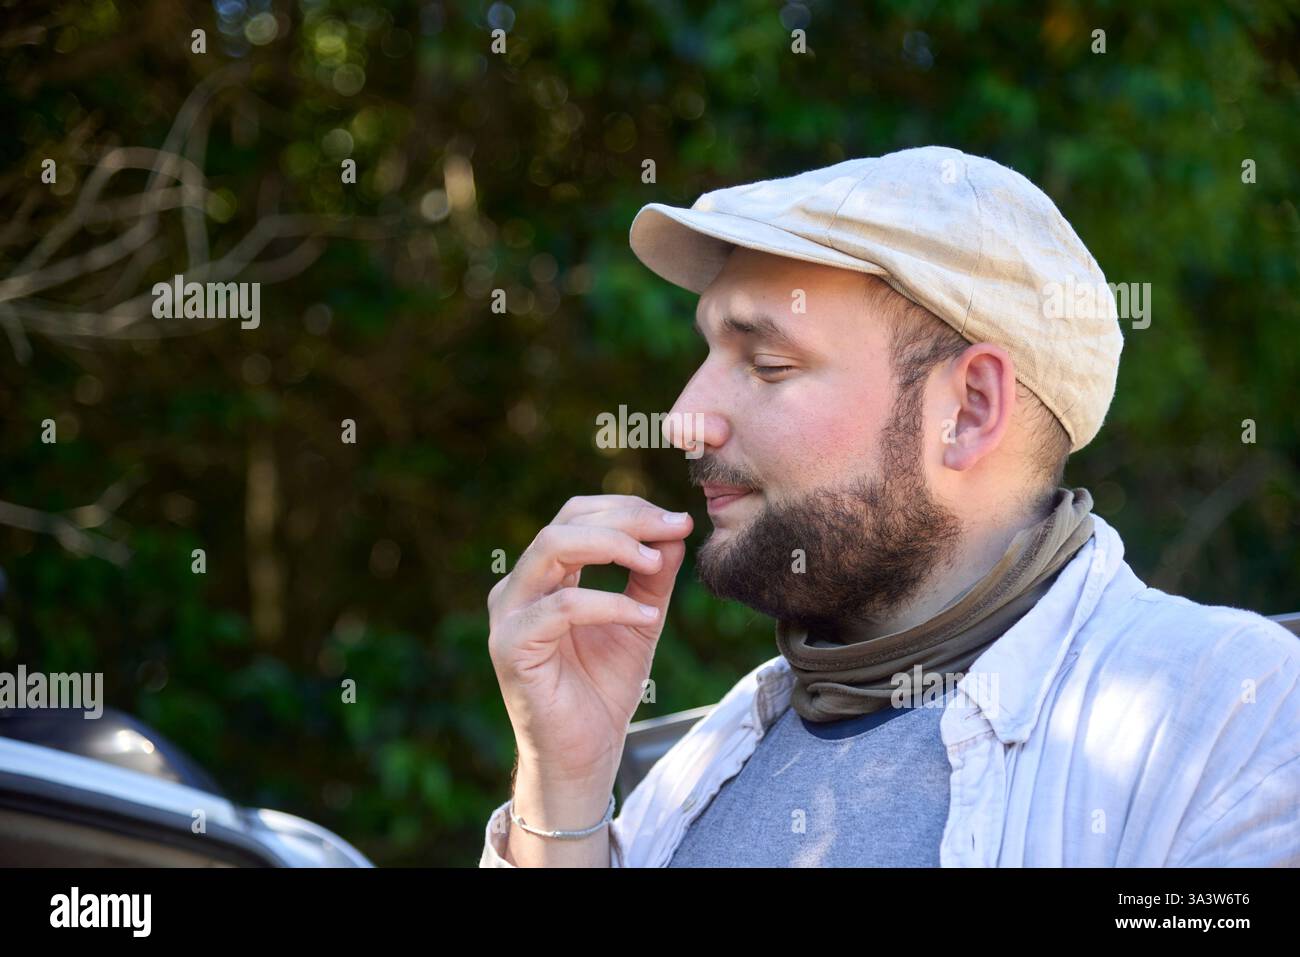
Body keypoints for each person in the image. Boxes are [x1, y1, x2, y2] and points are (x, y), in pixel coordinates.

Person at [479, 146, 1299, 867]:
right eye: (708, 351)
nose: (685, 416)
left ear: (970, 409)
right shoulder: (710, 756)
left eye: (766, 363)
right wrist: (565, 790)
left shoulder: (1234, 714)